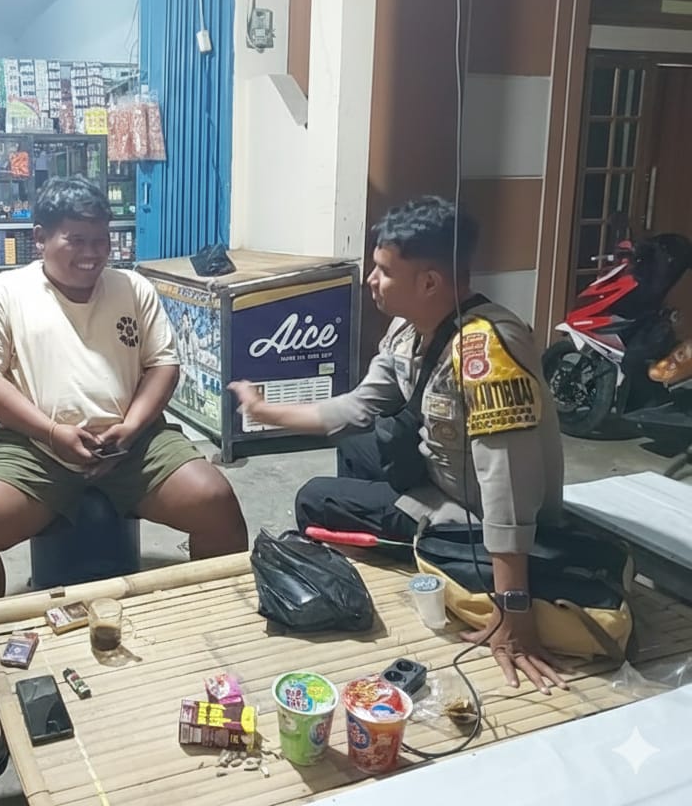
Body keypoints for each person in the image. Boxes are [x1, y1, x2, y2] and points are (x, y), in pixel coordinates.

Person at [229, 196, 568, 695]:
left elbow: (508, 485)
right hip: (439, 472)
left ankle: (432, 553)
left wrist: (513, 608)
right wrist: (265, 412)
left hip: (471, 513)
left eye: (384, 271)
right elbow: (357, 408)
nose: (371, 280)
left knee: (313, 499)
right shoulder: (408, 330)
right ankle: (396, 540)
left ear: (429, 282)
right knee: (357, 445)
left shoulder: (487, 351)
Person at [0, 176, 248, 601]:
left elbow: (163, 365)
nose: (92, 253)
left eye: (100, 240)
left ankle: (218, 617)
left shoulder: (132, 287)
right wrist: (53, 433)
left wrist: (131, 428)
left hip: (133, 444)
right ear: (40, 238)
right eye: (76, 240)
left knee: (214, 500)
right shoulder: (4, 293)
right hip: (34, 448)